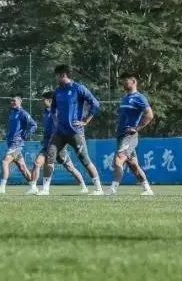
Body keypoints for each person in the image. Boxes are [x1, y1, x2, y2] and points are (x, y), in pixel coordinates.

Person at [41, 64, 105, 196]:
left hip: (75, 132)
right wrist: (55, 120)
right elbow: (53, 109)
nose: (56, 78)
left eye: (57, 75)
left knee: (85, 160)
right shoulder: (58, 91)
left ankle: (99, 188)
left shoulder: (79, 88)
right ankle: (45, 189)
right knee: (49, 156)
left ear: (63, 75)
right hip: (59, 133)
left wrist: (85, 121)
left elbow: (95, 104)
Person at [29, 91, 87, 194]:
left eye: (43, 100)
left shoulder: (57, 112)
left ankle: (83, 186)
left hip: (58, 146)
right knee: (38, 163)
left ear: (50, 100)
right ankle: (34, 187)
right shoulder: (46, 113)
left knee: (70, 168)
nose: (41, 102)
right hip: (47, 145)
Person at [109, 74, 155, 196]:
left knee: (119, 160)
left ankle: (112, 189)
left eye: (126, 80)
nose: (124, 82)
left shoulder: (139, 98)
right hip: (121, 135)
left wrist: (137, 128)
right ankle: (148, 189)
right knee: (134, 165)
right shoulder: (125, 98)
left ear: (134, 82)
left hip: (129, 136)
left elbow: (149, 115)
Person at [0, 96, 37, 194]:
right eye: (11, 101)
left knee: (4, 162)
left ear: (20, 102)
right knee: (22, 167)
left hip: (16, 143)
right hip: (11, 143)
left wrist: (26, 134)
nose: (12, 102)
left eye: (14, 101)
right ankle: (33, 187)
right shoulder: (12, 113)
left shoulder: (23, 113)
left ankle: (2, 188)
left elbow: (34, 125)